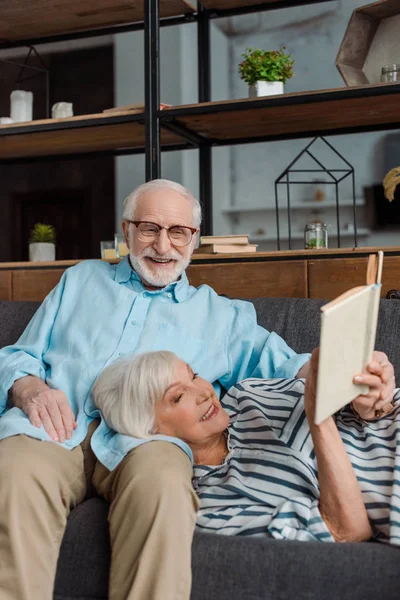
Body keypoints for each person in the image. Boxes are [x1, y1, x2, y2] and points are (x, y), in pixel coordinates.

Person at [0, 179, 395, 600]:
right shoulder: (81, 280)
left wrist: (358, 379)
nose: (163, 246)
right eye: (149, 228)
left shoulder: (220, 315)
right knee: (15, 474)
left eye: (178, 232)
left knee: (164, 488)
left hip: (145, 439)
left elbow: (294, 366)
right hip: (55, 426)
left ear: (194, 239)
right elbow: (19, 354)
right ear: (127, 230)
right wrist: (28, 389)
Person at [93, 349, 400, 545]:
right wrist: (317, 416)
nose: (203, 392)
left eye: (195, 375)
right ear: (151, 431)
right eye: (177, 397)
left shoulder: (246, 394)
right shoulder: (211, 507)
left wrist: (373, 395)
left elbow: (359, 411)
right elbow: (347, 530)